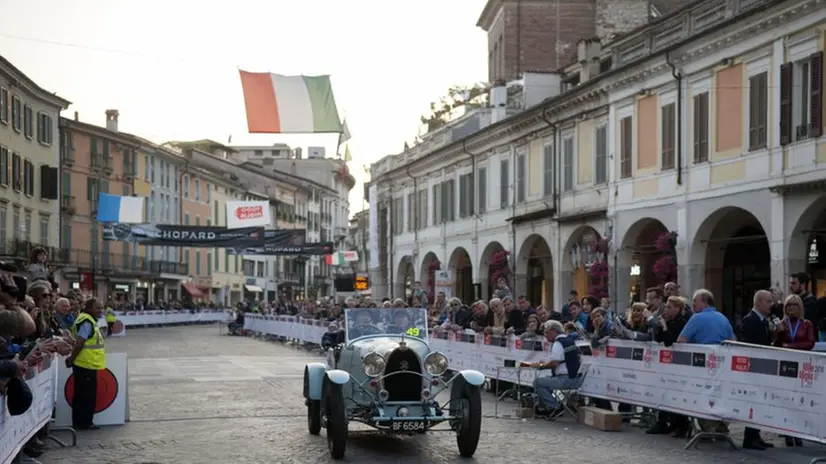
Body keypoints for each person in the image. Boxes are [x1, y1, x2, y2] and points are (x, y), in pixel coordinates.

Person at [738, 289, 776, 450]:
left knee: (760, 402)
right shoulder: (750, 320)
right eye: (768, 301)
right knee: (753, 403)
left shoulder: (763, 320)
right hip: (754, 368)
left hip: (762, 367)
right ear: (759, 302)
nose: (771, 305)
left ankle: (756, 435)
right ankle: (749, 437)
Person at [526, 320, 583, 419]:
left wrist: (540, 365)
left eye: (546, 332)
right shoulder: (568, 340)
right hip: (574, 378)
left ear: (553, 331)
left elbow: (554, 363)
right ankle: (545, 408)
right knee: (545, 380)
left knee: (538, 382)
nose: (545, 335)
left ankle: (554, 407)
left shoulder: (558, 343)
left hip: (567, 379)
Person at [66, 298, 105, 430]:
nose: (101, 310)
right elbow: (80, 343)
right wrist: (72, 358)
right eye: (98, 308)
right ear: (89, 308)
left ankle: (82, 422)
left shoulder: (87, 319)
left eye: (101, 307)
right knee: (86, 396)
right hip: (84, 363)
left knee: (84, 395)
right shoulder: (87, 321)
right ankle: (83, 423)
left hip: (87, 363)